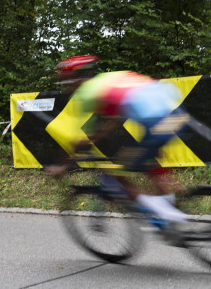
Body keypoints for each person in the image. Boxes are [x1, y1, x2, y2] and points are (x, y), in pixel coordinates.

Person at [46, 55, 191, 223]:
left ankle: (167, 215)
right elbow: (112, 122)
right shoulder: (110, 78)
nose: (68, 87)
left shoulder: (87, 94)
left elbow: (81, 139)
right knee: (150, 162)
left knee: (113, 176)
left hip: (155, 123)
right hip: (177, 114)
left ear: (74, 78)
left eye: (66, 81)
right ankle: (172, 202)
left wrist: (62, 166)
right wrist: (96, 137)